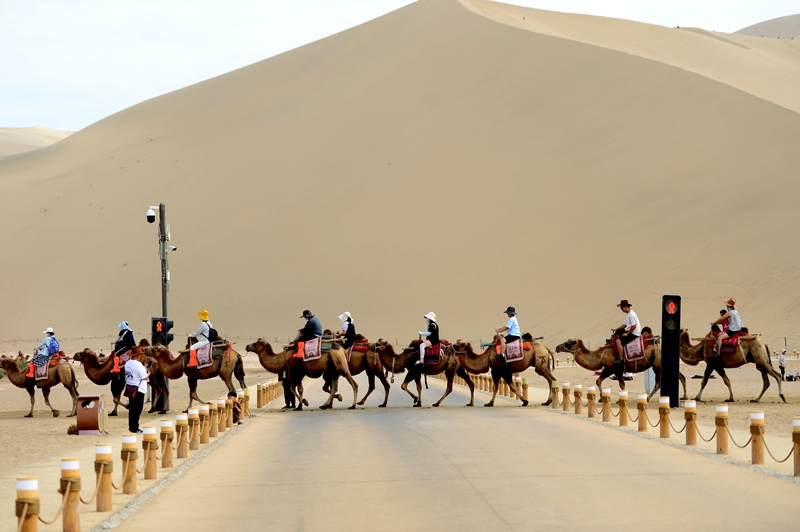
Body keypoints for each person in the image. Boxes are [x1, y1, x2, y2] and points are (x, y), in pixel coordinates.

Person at [124, 346, 149, 433]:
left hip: (130, 388)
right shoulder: (138, 365)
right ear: (138, 355)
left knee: (132, 409)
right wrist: (148, 371)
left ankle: (131, 427)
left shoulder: (127, 363)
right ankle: (135, 427)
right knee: (137, 409)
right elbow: (145, 377)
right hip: (138, 389)